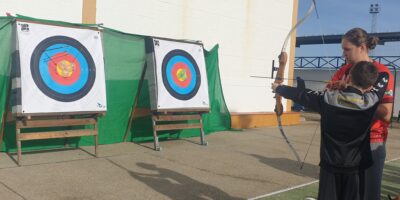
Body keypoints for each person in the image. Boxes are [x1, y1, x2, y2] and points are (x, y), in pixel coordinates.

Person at [272, 61, 389, 200]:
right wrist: (350, 84)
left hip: (330, 166)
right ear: (370, 86)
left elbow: (301, 94)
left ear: (349, 77)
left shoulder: (327, 98)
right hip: (356, 168)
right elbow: (384, 78)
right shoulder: (371, 100)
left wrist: (278, 88)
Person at [326, 28, 394, 200]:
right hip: (343, 143)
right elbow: (328, 101)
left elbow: (386, 114)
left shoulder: (382, 73)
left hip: (371, 141)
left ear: (362, 47)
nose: (343, 54)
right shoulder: (342, 72)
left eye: (347, 49)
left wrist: (350, 94)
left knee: (368, 194)